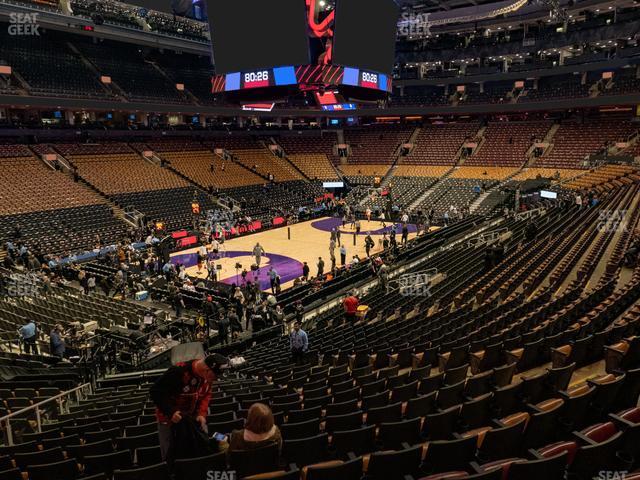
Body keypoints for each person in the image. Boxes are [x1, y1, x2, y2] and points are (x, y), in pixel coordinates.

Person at [151, 354, 229, 462]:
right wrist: (170, 412)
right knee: (169, 453)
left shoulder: (208, 377)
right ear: (207, 370)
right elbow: (155, 392)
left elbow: (206, 394)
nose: (216, 379)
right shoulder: (178, 371)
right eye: (215, 376)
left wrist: (202, 414)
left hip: (192, 419)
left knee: (204, 441)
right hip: (169, 420)